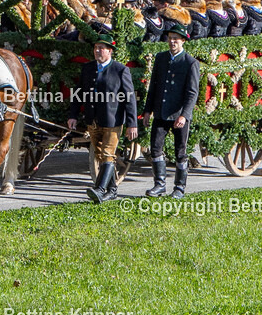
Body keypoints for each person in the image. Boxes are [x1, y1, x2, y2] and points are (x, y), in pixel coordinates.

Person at [66, 33, 139, 203]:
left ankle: (99, 189)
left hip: (112, 121)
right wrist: (73, 115)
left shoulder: (121, 70)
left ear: (110, 51)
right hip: (93, 120)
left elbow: (129, 98)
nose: (97, 51)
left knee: (107, 153)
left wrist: (132, 124)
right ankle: (112, 190)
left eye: (101, 48)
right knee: (101, 155)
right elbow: (78, 94)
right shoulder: (88, 68)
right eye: (95, 48)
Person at [142, 24, 200, 199]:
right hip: (161, 111)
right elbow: (154, 86)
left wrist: (184, 115)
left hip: (179, 114)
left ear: (183, 41)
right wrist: (147, 111)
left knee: (180, 152)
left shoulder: (190, 63)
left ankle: (179, 188)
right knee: (155, 149)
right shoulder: (161, 58)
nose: (172, 41)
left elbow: (192, 93)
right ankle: (159, 185)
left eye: (176, 39)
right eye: (170, 38)